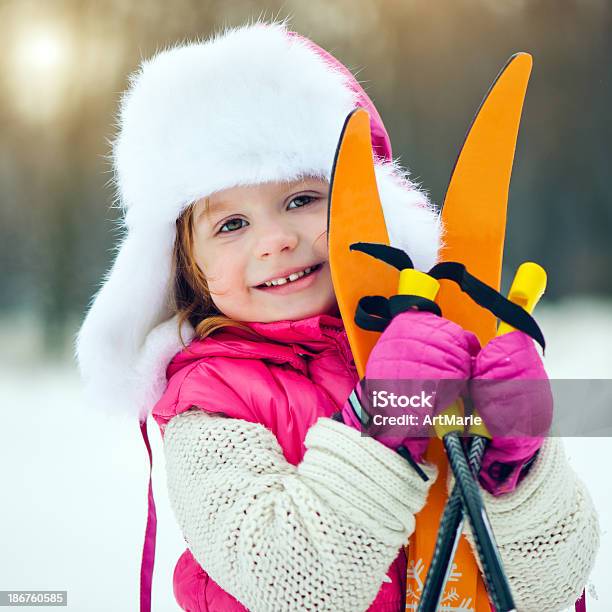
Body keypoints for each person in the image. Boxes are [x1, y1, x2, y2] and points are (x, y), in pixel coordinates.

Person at [76, 22, 599, 611]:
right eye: (231, 224)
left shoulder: (449, 352)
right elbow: (297, 585)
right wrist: (380, 422)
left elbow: (553, 584)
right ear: (186, 266)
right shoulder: (207, 403)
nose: (274, 241)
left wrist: (519, 464)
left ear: (366, 210)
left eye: (301, 200)